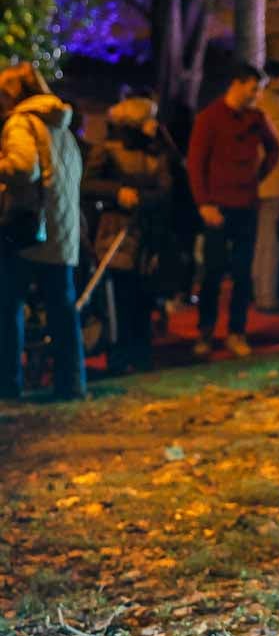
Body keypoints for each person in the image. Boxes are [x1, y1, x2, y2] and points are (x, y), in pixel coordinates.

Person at [0, 63, 85, 400]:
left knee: (7, 306)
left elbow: (22, 168)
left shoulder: (21, 122)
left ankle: (8, 384)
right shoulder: (60, 125)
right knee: (62, 307)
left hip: (26, 229)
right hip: (61, 229)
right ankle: (71, 383)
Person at [186, 63, 279, 357]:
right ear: (237, 84)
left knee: (242, 273)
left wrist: (256, 177)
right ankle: (205, 332)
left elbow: (274, 148)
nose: (256, 95)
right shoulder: (209, 118)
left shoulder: (256, 118)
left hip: (246, 205)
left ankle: (237, 332)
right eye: (253, 89)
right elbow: (196, 163)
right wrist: (204, 203)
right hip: (217, 207)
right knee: (213, 272)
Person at [82, 96, 173, 374]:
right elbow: (87, 184)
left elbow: (166, 189)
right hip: (117, 230)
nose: (154, 124)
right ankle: (119, 356)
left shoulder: (157, 152)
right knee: (118, 294)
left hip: (146, 231)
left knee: (143, 295)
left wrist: (144, 199)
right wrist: (117, 192)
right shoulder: (108, 151)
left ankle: (141, 354)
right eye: (148, 119)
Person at [253, 58, 279, 312]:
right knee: (269, 244)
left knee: (262, 243)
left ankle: (260, 292)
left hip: (263, 185)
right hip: (273, 185)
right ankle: (266, 297)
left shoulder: (262, 105)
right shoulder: (271, 109)